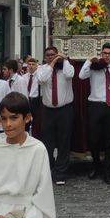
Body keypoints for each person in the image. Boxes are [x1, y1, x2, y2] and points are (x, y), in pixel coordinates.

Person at [78, 43, 110, 184]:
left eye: (109, 53)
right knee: (94, 140)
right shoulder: (94, 68)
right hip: (95, 106)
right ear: (101, 54)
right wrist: (90, 60)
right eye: (104, 53)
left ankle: (108, 171)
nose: (107, 56)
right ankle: (96, 166)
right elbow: (81, 75)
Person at [36, 47, 75, 186]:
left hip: (65, 110)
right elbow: (41, 79)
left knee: (64, 142)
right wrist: (52, 65)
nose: (51, 57)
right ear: (45, 57)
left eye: (54, 55)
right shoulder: (42, 69)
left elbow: (70, 74)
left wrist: (63, 60)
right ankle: (48, 169)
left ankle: (61, 173)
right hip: (48, 110)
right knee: (48, 143)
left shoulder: (66, 67)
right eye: (48, 55)